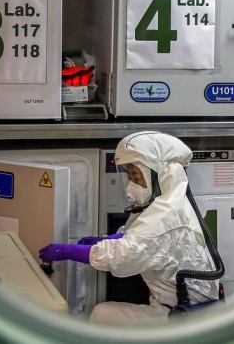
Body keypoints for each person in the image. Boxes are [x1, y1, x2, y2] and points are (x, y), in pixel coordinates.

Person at [39, 131, 219, 324]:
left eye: (137, 177)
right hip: (184, 310)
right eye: (130, 176)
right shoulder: (173, 208)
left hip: (180, 317)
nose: (130, 186)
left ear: (162, 176)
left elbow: (122, 255)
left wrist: (66, 250)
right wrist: (104, 241)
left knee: (102, 313)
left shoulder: (165, 220)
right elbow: (140, 240)